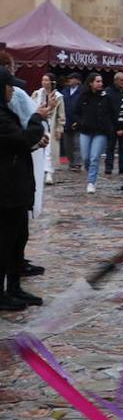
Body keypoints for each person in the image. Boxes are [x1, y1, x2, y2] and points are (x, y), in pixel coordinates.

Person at [0, 69, 47, 312]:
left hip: (15, 189)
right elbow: (21, 139)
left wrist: (34, 140)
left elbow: (17, 145)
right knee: (6, 242)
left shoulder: (5, 113)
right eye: (9, 87)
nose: (12, 92)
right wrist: (37, 118)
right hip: (6, 192)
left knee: (18, 239)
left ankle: (14, 287)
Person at [74, 72, 117, 193]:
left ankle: (91, 182)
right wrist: (80, 121)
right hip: (85, 131)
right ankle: (91, 174)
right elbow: (75, 112)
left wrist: (112, 128)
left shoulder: (105, 97)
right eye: (97, 81)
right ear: (91, 83)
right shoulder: (83, 96)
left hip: (101, 132)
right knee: (86, 157)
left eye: (101, 81)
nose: (100, 84)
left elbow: (113, 113)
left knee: (94, 157)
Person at [31, 74, 64, 185]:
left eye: (46, 80)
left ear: (51, 82)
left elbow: (61, 115)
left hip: (51, 124)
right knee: (38, 147)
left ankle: (49, 172)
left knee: (49, 150)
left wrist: (60, 128)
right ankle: (38, 171)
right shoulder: (36, 94)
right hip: (38, 123)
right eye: (42, 80)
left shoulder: (58, 96)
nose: (44, 82)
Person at [104, 71, 123, 177]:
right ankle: (108, 168)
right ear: (115, 80)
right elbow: (105, 111)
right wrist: (110, 127)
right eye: (121, 80)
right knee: (110, 148)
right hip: (111, 125)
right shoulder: (108, 92)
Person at [60, 72, 84, 170]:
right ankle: (71, 162)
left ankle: (77, 163)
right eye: (69, 78)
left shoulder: (82, 91)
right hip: (66, 120)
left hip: (77, 121)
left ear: (78, 80)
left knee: (77, 143)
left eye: (72, 78)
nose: (69, 80)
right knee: (67, 144)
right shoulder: (64, 91)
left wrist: (80, 120)